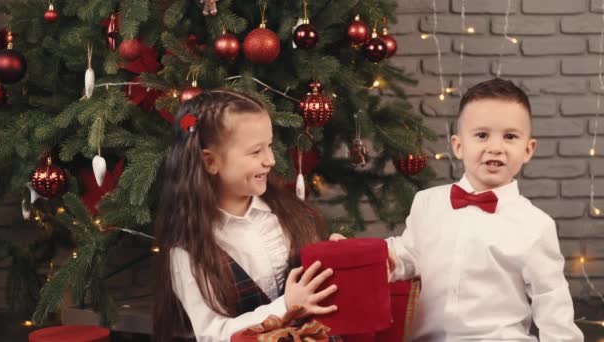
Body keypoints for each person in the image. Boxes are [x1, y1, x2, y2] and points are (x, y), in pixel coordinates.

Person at [385, 79, 583, 341]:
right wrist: (368, 256)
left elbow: (551, 301)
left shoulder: (535, 225)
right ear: (458, 146)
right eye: (481, 135)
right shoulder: (427, 203)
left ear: (528, 150)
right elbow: (407, 255)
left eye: (510, 136)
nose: (495, 147)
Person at [153, 89, 338, 342]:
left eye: (270, 147)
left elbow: (319, 288)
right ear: (210, 162)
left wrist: (338, 259)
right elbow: (211, 333)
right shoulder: (189, 249)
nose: (270, 160)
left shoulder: (290, 215)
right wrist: (286, 307)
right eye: (255, 152)